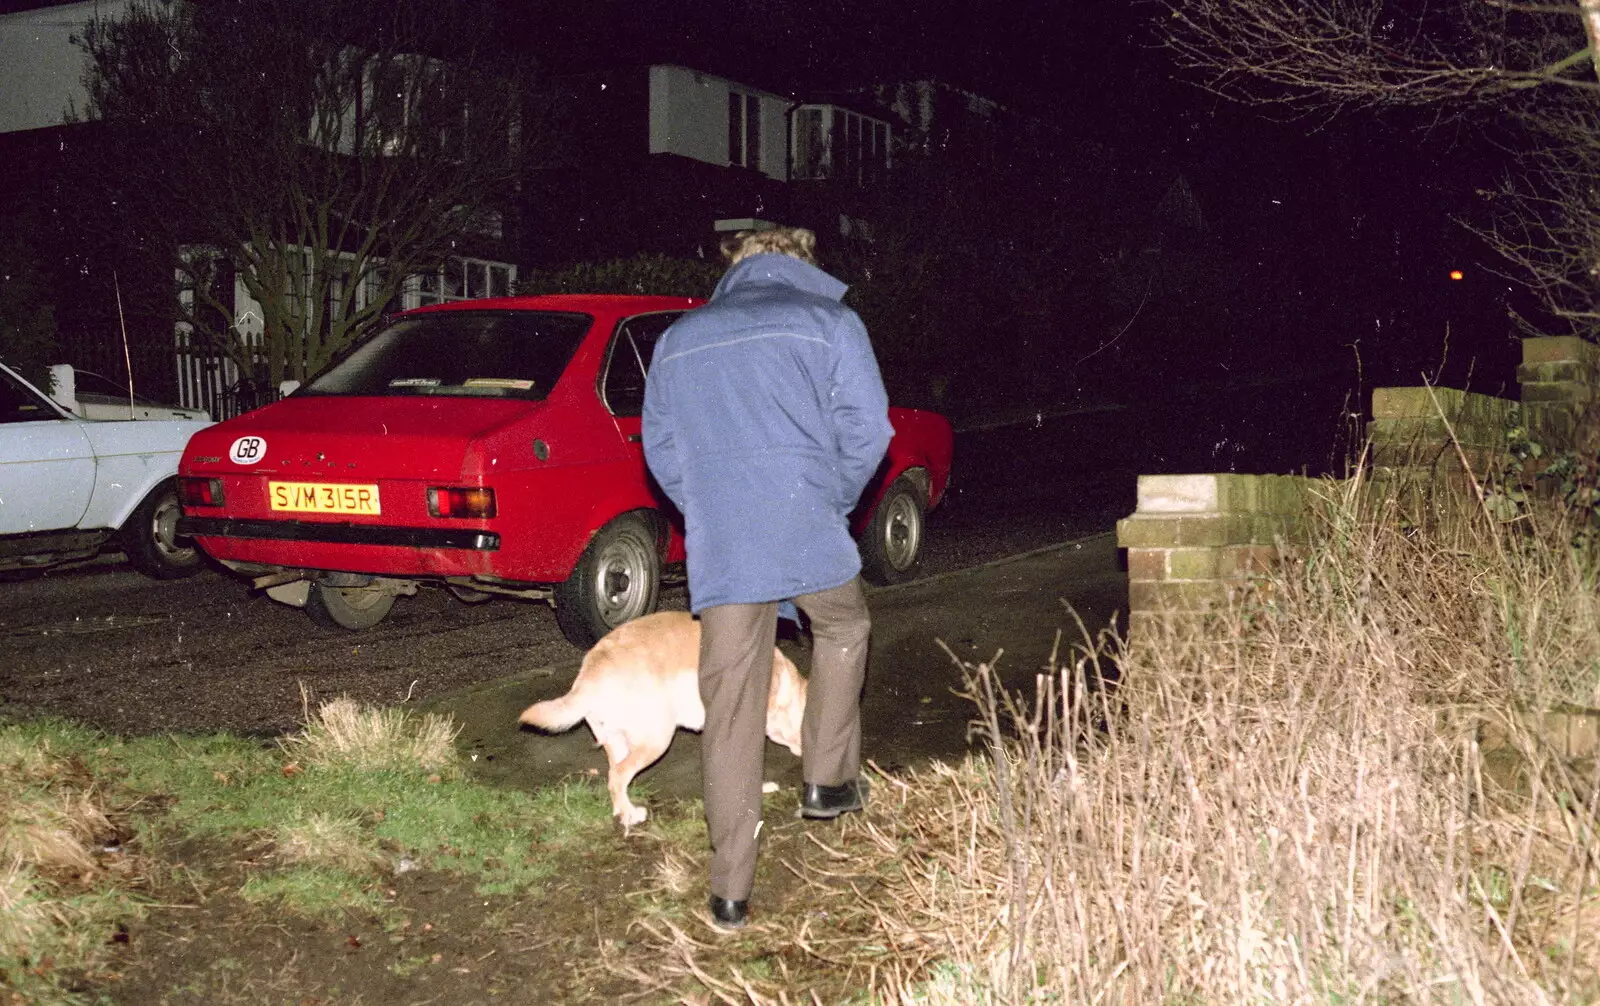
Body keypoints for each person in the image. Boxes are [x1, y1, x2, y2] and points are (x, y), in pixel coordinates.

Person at [642, 226, 894, 931]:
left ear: (737, 268)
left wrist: (714, 508)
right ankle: (825, 779)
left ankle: (728, 892)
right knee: (844, 625)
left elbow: (660, 448)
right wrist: (828, 502)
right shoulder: (833, 323)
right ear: (802, 264)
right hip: (806, 522)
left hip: (724, 547)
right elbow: (870, 431)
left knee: (727, 704)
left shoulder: (680, 338)